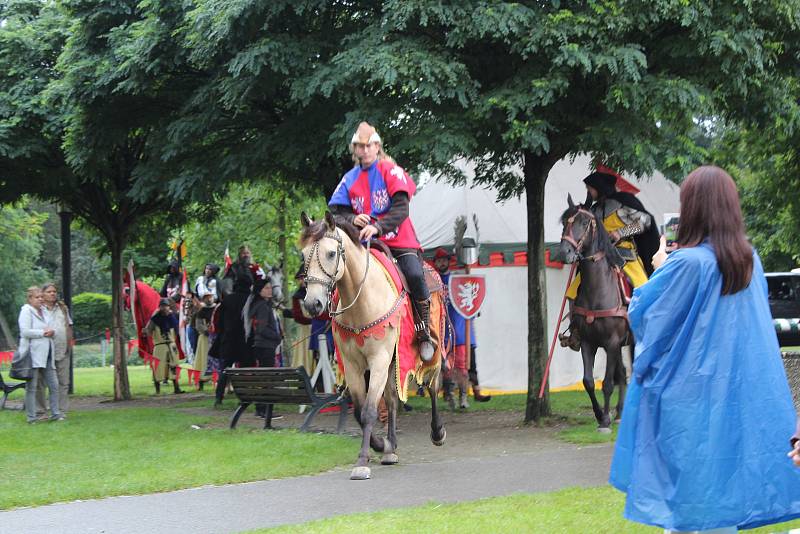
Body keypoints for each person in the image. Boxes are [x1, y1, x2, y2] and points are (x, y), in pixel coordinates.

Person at [609, 166, 800, 532]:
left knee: (691, 503)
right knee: (722, 496)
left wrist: (660, 268)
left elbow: (647, 318)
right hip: (734, 397)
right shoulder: (749, 261)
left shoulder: (686, 263)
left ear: (692, 208)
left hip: (690, 400)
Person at [328, 121, 435, 361]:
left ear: (377, 146)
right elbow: (336, 213)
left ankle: (424, 331)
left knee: (415, 275)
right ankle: (341, 336)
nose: (364, 150)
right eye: (360, 146)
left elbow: (401, 209)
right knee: (340, 277)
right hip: (364, 245)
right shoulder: (349, 179)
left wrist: (377, 226)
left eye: (369, 146)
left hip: (398, 240)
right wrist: (353, 219)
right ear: (354, 149)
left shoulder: (391, 170)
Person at [559, 170, 660, 351]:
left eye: (590, 188)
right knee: (573, 290)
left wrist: (621, 232)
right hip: (598, 258)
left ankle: (648, 326)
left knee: (644, 287)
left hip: (624, 255)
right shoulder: (594, 210)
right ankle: (576, 331)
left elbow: (645, 221)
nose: (588, 192)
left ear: (599, 188)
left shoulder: (623, 205)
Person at [433, 248, 491, 407]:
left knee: (463, 365)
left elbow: (469, 298)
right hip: (443, 330)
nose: (442, 263)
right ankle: (450, 395)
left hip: (460, 328)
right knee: (447, 367)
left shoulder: (457, 279)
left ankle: (464, 397)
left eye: (444, 260)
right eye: (439, 260)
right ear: (435, 263)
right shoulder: (432, 280)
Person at [19, 287, 64, 423]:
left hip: (48, 353)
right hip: (32, 354)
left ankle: (55, 413)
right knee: (32, 387)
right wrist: (42, 333)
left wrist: (52, 332)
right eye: (37, 297)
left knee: (54, 385)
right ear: (30, 299)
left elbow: (52, 327)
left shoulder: (44, 311)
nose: (40, 299)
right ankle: (31, 417)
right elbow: (25, 332)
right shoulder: (26, 311)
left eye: (41, 297)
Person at [245, 278, 282, 421]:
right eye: (266, 288)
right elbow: (260, 329)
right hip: (265, 346)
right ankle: (264, 410)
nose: (269, 290)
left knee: (264, 377)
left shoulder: (261, 305)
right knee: (268, 379)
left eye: (270, 287)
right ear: (259, 291)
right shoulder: (262, 306)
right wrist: (277, 337)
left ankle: (261, 409)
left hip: (262, 346)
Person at [214, 276, 253, 407]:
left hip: (228, 339)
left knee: (225, 370)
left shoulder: (228, 300)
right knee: (245, 369)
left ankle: (219, 397)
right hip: (244, 341)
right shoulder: (250, 299)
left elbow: (219, 321)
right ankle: (244, 397)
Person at [36, 283, 73, 416]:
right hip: (43, 351)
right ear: (43, 294)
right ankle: (40, 410)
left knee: (63, 382)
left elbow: (68, 326)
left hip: (61, 349)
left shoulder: (62, 308)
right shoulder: (38, 308)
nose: (52, 294)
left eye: (54, 291)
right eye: (49, 292)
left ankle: (60, 411)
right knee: (40, 381)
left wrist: (69, 344)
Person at [142, 298, 184, 394]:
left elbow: (177, 331)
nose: (164, 308)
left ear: (169, 307)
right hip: (160, 346)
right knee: (158, 368)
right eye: (162, 306)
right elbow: (148, 332)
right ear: (159, 307)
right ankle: (158, 390)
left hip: (172, 345)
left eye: (166, 306)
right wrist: (145, 331)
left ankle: (176, 388)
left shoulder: (173, 318)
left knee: (174, 366)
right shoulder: (154, 319)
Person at [191, 293, 215, 390]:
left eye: (210, 297)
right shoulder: (201, 312)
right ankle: (201, 381)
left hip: (215, 337)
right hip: (205, 339)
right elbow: (198, 325)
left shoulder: (217, 309)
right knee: (203, 359)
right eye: (207, 298)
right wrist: (206, 331)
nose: (209, 299)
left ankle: (217, 380)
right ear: (204, 299)